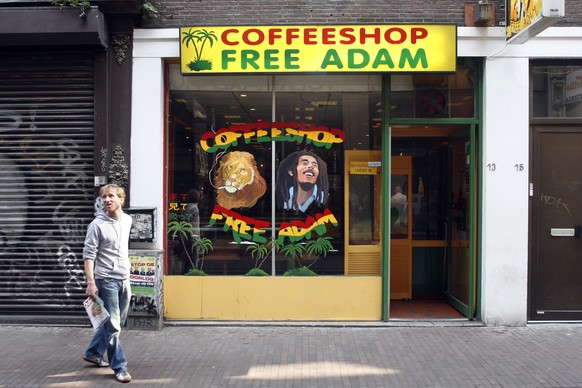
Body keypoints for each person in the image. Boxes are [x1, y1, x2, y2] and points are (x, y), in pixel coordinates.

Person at [82, 183, 133, 383]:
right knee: (114, 326)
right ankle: (120, 367)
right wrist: (91, 283)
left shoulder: (128, 220)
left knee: (117, 322)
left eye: (111, 196)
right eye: (104, 197)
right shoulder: (96, 225)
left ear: (122, 199)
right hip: (106, 280)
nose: (107, 200)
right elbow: (88, 255)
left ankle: (93, 352)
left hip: (124, 278)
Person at [183, 188, 201, 268]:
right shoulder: (194, 209)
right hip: (193, 236)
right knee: (194, 256)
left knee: (190, 256)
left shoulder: (188, 207)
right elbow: (188, 223)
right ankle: (194, 271)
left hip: (191, 235)